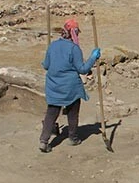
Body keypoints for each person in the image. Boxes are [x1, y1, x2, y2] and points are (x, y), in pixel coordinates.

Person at [38, 18, 101, 153]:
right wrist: (93, 58)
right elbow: (82, 69)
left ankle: (44, 140)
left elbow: (47, 66)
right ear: (74, 32)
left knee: (51, 112)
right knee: (73, 112)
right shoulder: (74, 49)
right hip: (70, 87)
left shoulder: (53, 45)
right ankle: (72, 137)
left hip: (53, 85)